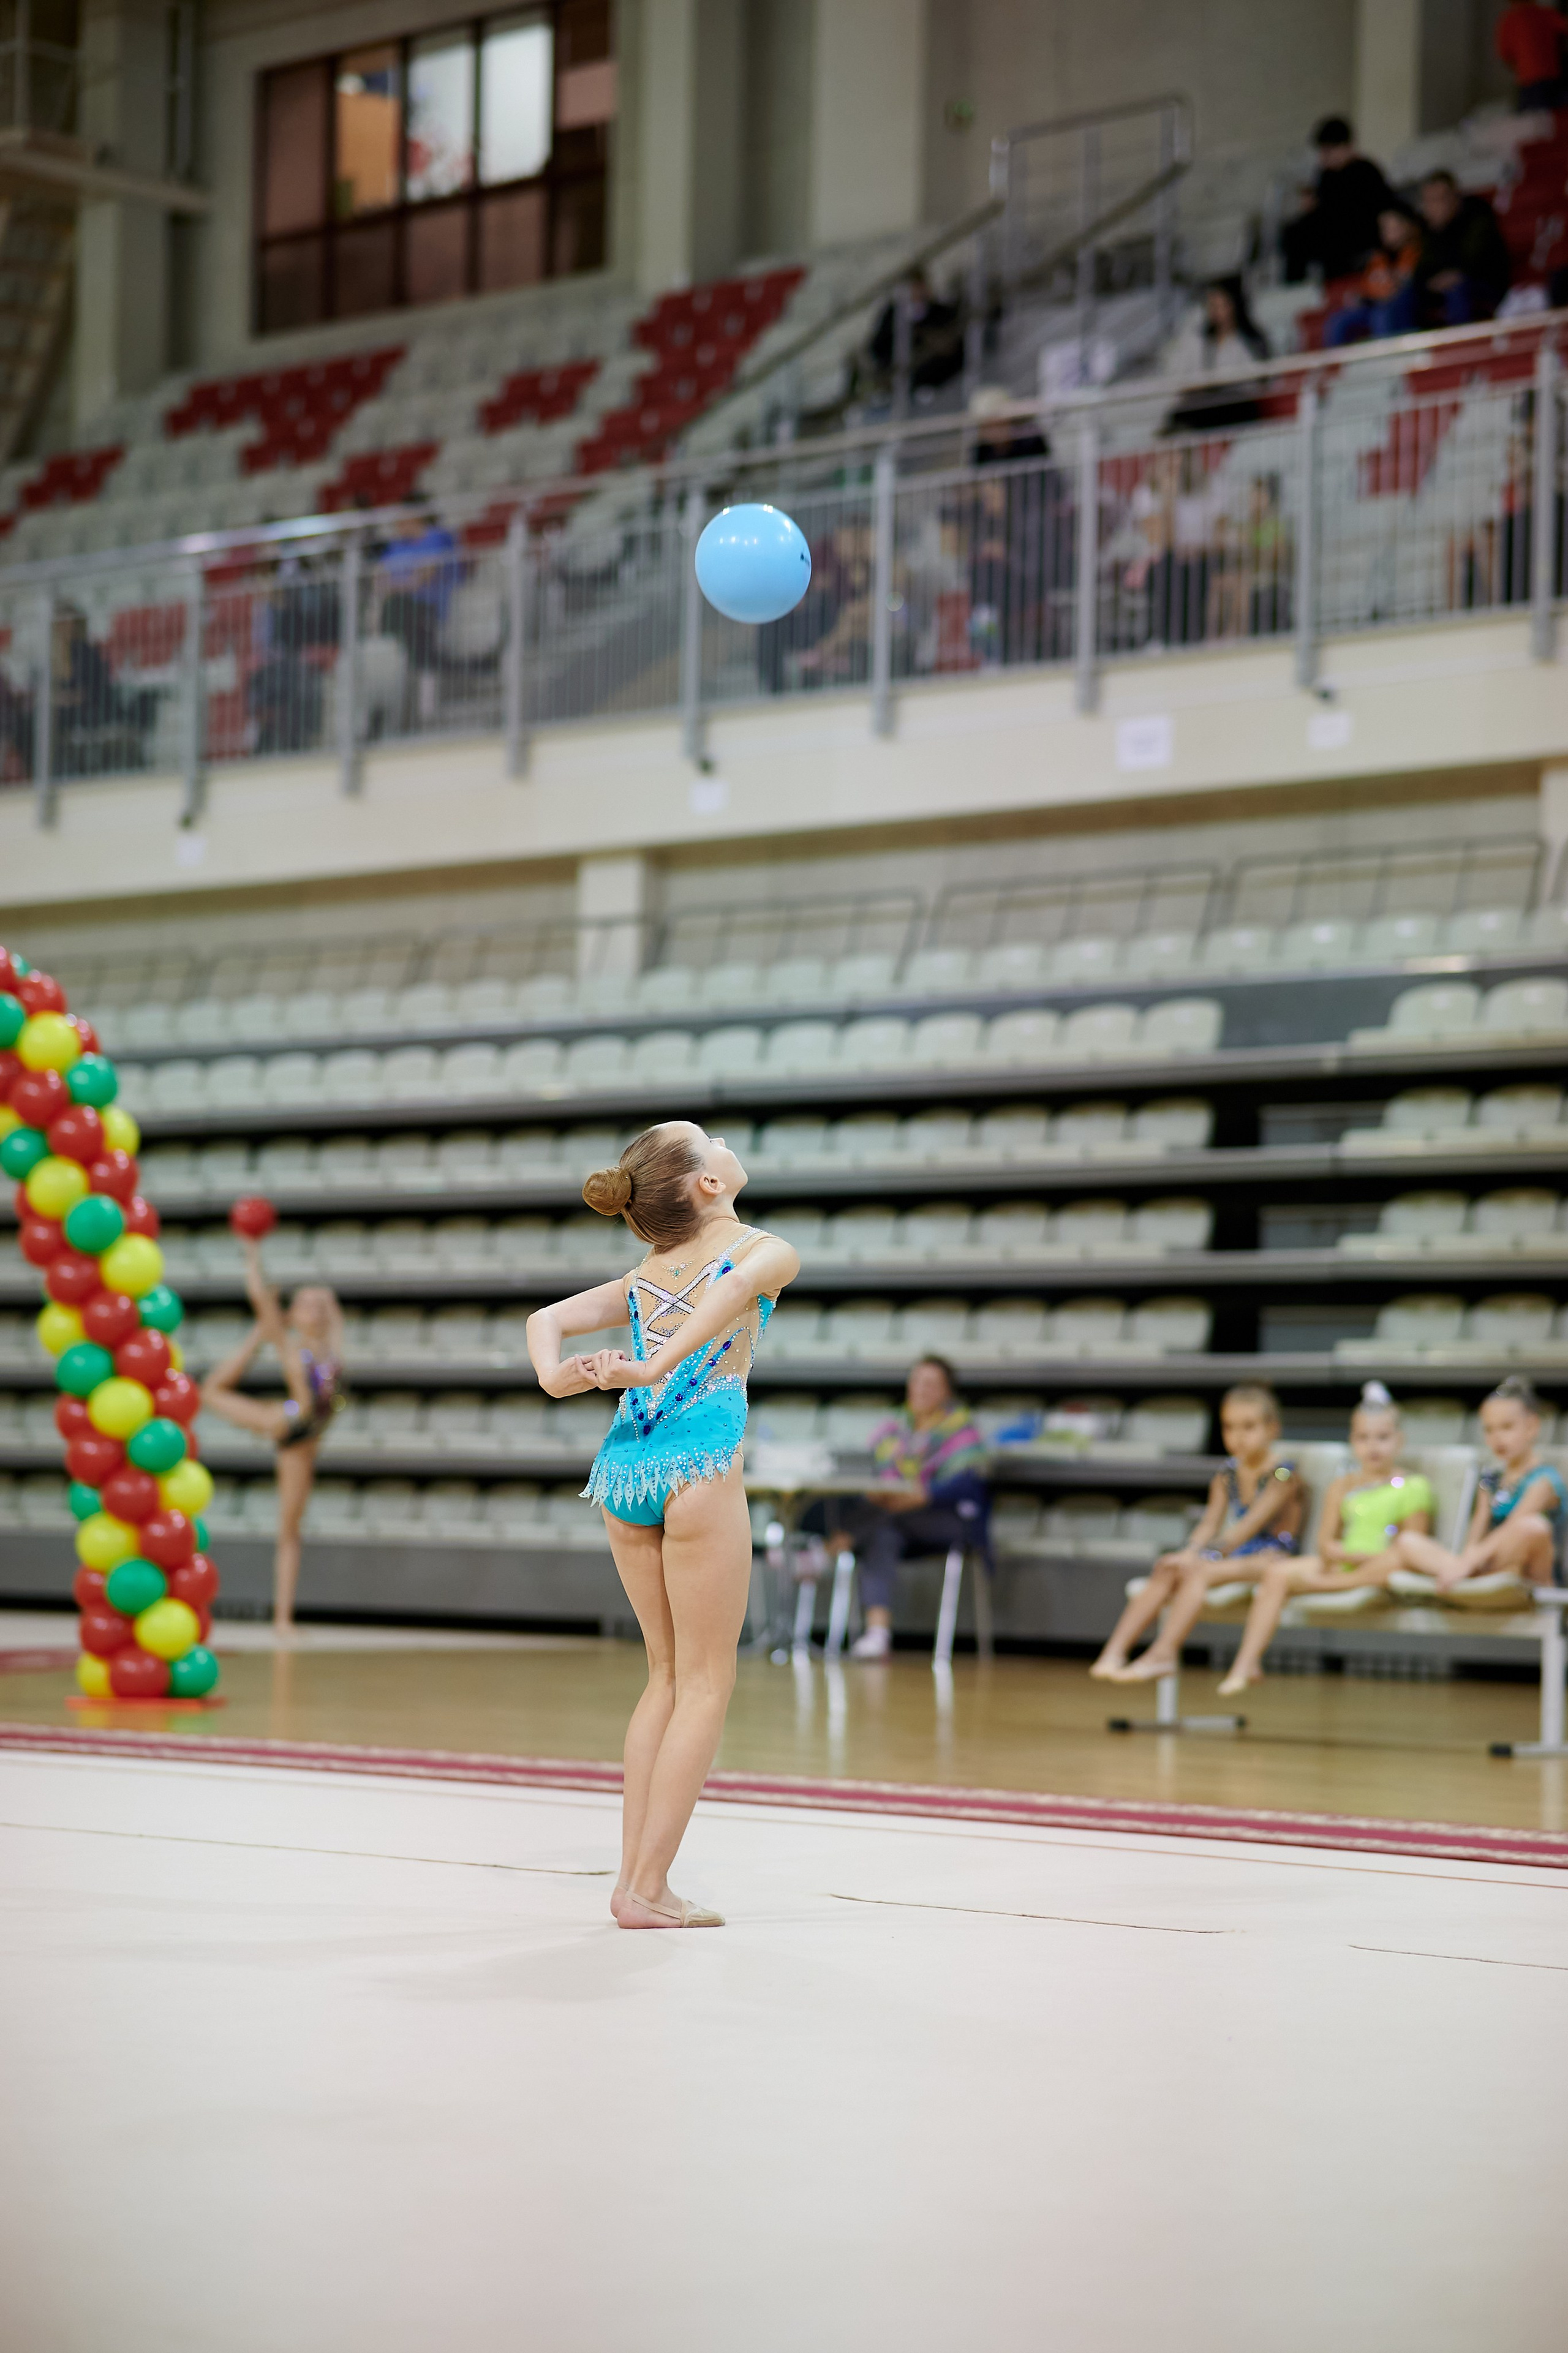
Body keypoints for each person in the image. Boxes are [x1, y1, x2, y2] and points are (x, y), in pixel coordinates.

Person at [526, 1123, 799, 1930]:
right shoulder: (766, 1249)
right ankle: (647, 1887)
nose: (725, 1140)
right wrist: (648, 1364)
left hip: (625, 1468)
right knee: (706, 1682)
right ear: (708, 1183)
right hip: (695, 1462)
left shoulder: (645, 1274)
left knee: (667, 1676)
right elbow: (730, 1289)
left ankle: (634, 1882)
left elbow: (546, 1318)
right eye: (711, 1140)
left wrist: (555, 1375)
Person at [1213, 1383, 1434, 1696]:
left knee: (1396, 1562)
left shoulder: (1413, 1486)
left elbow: (1413, 1547)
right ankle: (1246, 1663)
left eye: (1382, 1438)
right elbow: (1325, 1544)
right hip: (1344, 1562)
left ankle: (1330, 1584)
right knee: (1277, 1573)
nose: (1373, 1447)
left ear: (1400, 1440)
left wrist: (1358, 1557)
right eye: (1363, 1438)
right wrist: (1343, 1555)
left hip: (1383, 1565)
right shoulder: (1342, 1486)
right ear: (1352, 1441)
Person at [1089, 1384, 1304, 1681]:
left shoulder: (1282, 1474)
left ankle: (1164, 1653)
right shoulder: (1227, 1474)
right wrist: (1188, 1552)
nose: (1238, 1437)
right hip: (1237, 1554)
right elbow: (1209, 1523)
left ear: (1273, 1428)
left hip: (1272, 1556)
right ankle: (1113, 1653)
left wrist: (1204, 1556)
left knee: (1198, 1571)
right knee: (1168, 1568)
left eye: (1249, 1427)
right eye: (1229, 1427)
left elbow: (1248, 1526)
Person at [200, 1235, 345, 1632]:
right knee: (288, 1529)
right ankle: (282, 1619)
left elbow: (333, 1312)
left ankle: (284, 1616)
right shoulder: (291, 1347)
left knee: (292, 1528)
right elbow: (259, 1297)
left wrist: (319, 1297)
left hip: (307, 1432)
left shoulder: (333, 1349)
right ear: (293, 1315)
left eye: (319, 1306)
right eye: (306, 1305)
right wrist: (253, 1256)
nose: (314, 1310)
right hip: (291, 1426)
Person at [817, 1357, 990, 1662]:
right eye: (917, 1381)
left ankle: (829, 1548)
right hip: (894, 1519)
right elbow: (878, 1476)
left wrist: (925, 1496)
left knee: (883, 1522)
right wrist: (882, 1494)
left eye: (931, 1384)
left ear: (947, 1391)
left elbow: (966, 1487)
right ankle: (878, 1632)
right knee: (883, 1532)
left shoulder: (963, 1431)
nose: (922, 1390)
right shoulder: (892, 1430)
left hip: (948, 1521)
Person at [1384, 1376, 1567, 1595]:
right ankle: (1473, 1580)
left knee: (1533, 1527)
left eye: (1507, 1427)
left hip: (1528, 1568)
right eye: (1489, 1430)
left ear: (1532, 1427)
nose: (1497, 1438)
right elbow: (1478, 1527)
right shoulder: (1490, 1478)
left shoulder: (1545, 1480)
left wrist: (1468, 1563)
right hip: (1489, 1563)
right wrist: (1466, 1558)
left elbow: (1514, 1526)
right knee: (1408, 1541)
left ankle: (1480, 1578)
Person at [1280, 116, 1398, 287]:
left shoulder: (1366, 172)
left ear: (1345, 147)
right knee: (1294, 233)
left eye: (1328, 151)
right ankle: (1296, 290)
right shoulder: (1327, 175)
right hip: (1333, 234)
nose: (1323, 158)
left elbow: (1372, 211)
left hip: (1359, 235)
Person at [376, 504, 462, 722]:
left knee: (399, 610)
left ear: (415, 520)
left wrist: (397, 586)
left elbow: (426, 576)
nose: (397, 529)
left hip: (429, 607)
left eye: (401, 524)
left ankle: (415, 661)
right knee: (395, 609)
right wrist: (405, 585)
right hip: (403, 610)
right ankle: (407, 657)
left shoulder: (437, 538)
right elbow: (379, 580)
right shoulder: (396, 546)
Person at [1161, 278, 1272, 432]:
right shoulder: (1198, 342)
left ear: (1235, 306)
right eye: (1212, 306)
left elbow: (1258, 381)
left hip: (1236, 404)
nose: (1216, 312)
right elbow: (1183, 379)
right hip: (1205, 403)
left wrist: (1222, 384)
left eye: (1222, 305)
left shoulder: (1248, 341)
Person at [1415, 171, 1512, 326]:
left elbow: (1476, 261)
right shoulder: (1427, 228)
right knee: (1405, 296)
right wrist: (1430, 281)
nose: (1431, 207)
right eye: (1427, 201)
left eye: (1437, 200)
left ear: (1454, 198)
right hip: (1444, 284)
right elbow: (1422, 268)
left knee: (1456, 289)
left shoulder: (1478, 216)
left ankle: (1461, 338)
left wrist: (1454, 274)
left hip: (1484, 283)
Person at [1325, 203, 1425, 344]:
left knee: (1381, 315)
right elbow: (1367, 287)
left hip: (1401, 308)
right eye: (1384, 228)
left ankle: (1387, 357)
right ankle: (1335, 359)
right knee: (1338, 321)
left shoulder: (1417, 252)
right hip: (1373, 304)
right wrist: (1360, 296)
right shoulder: (1379, 258)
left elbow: (1401, 287)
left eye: (1393, 227)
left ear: (1408, 226)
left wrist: (1380, 292)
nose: (1387, 232)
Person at [867, 266, 963, 396]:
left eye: (920, 286)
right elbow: (878, 349)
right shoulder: (892, 315)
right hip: (907, 379)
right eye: (914, 287)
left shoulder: (938, 311)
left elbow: (955, 338)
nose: (919, 291)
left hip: (942, 377)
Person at [1495, 0, 1566, 109]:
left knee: (1532, 116)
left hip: (1529, 79)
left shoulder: (1509, 20)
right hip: (1550, 75)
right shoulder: (1545, 14)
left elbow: (1505, 55)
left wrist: (1521, 70)